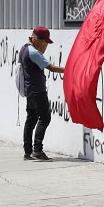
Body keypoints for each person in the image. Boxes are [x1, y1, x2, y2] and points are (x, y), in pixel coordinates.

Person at [19, 27, 64, 161]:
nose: (45, 45)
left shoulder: (24, 49)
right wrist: (69, 70)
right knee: (44, 118)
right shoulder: (33, 52)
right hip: (38, 90)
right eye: (44, 41)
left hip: (29, 90)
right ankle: (37, 150)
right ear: (36, 39)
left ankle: (28, 151)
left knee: (31, 119)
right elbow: (51, 68)